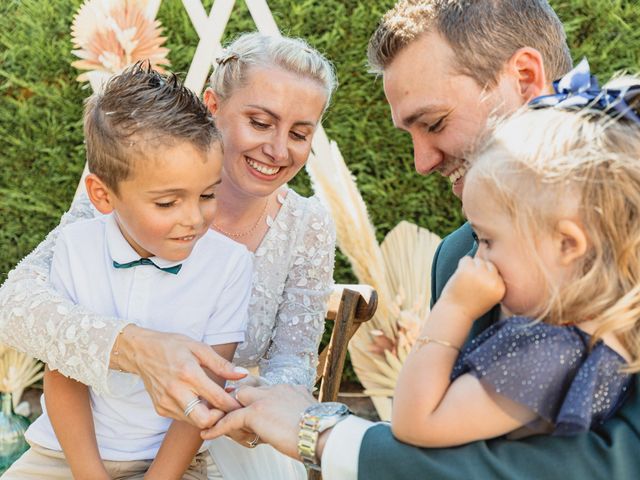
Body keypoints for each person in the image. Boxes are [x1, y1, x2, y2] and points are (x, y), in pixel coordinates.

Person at [206, 1, 640, 479]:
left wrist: (325, 436)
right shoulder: (457, 255)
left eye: (433, 123)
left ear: (524, 76)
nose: (421, 162)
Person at [0, 31, 336, 434]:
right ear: (212, 106)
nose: (279, 151)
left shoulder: (308, 225)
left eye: (299, 134)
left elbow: (292, 362)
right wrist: (137, 348)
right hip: (97, 432)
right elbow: (16, 305)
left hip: (216, 429)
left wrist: (243, 414)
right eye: (261, 123)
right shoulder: (129, 187)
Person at [3, 64, 253, 479]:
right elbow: (65, 375)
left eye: (208, 194)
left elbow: (208, 389)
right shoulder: (76, 247)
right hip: (63, 456)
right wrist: (90, 474)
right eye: (167, 203)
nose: (194, 218)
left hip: (175, 463)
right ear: (103, 195)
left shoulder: (230, 265)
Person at [393, 100, 638, 447]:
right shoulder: (605, 336)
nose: (475, 257)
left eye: (487, 239)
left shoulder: (548, 352)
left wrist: (454, 308)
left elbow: (414, 422)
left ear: (567, 245)